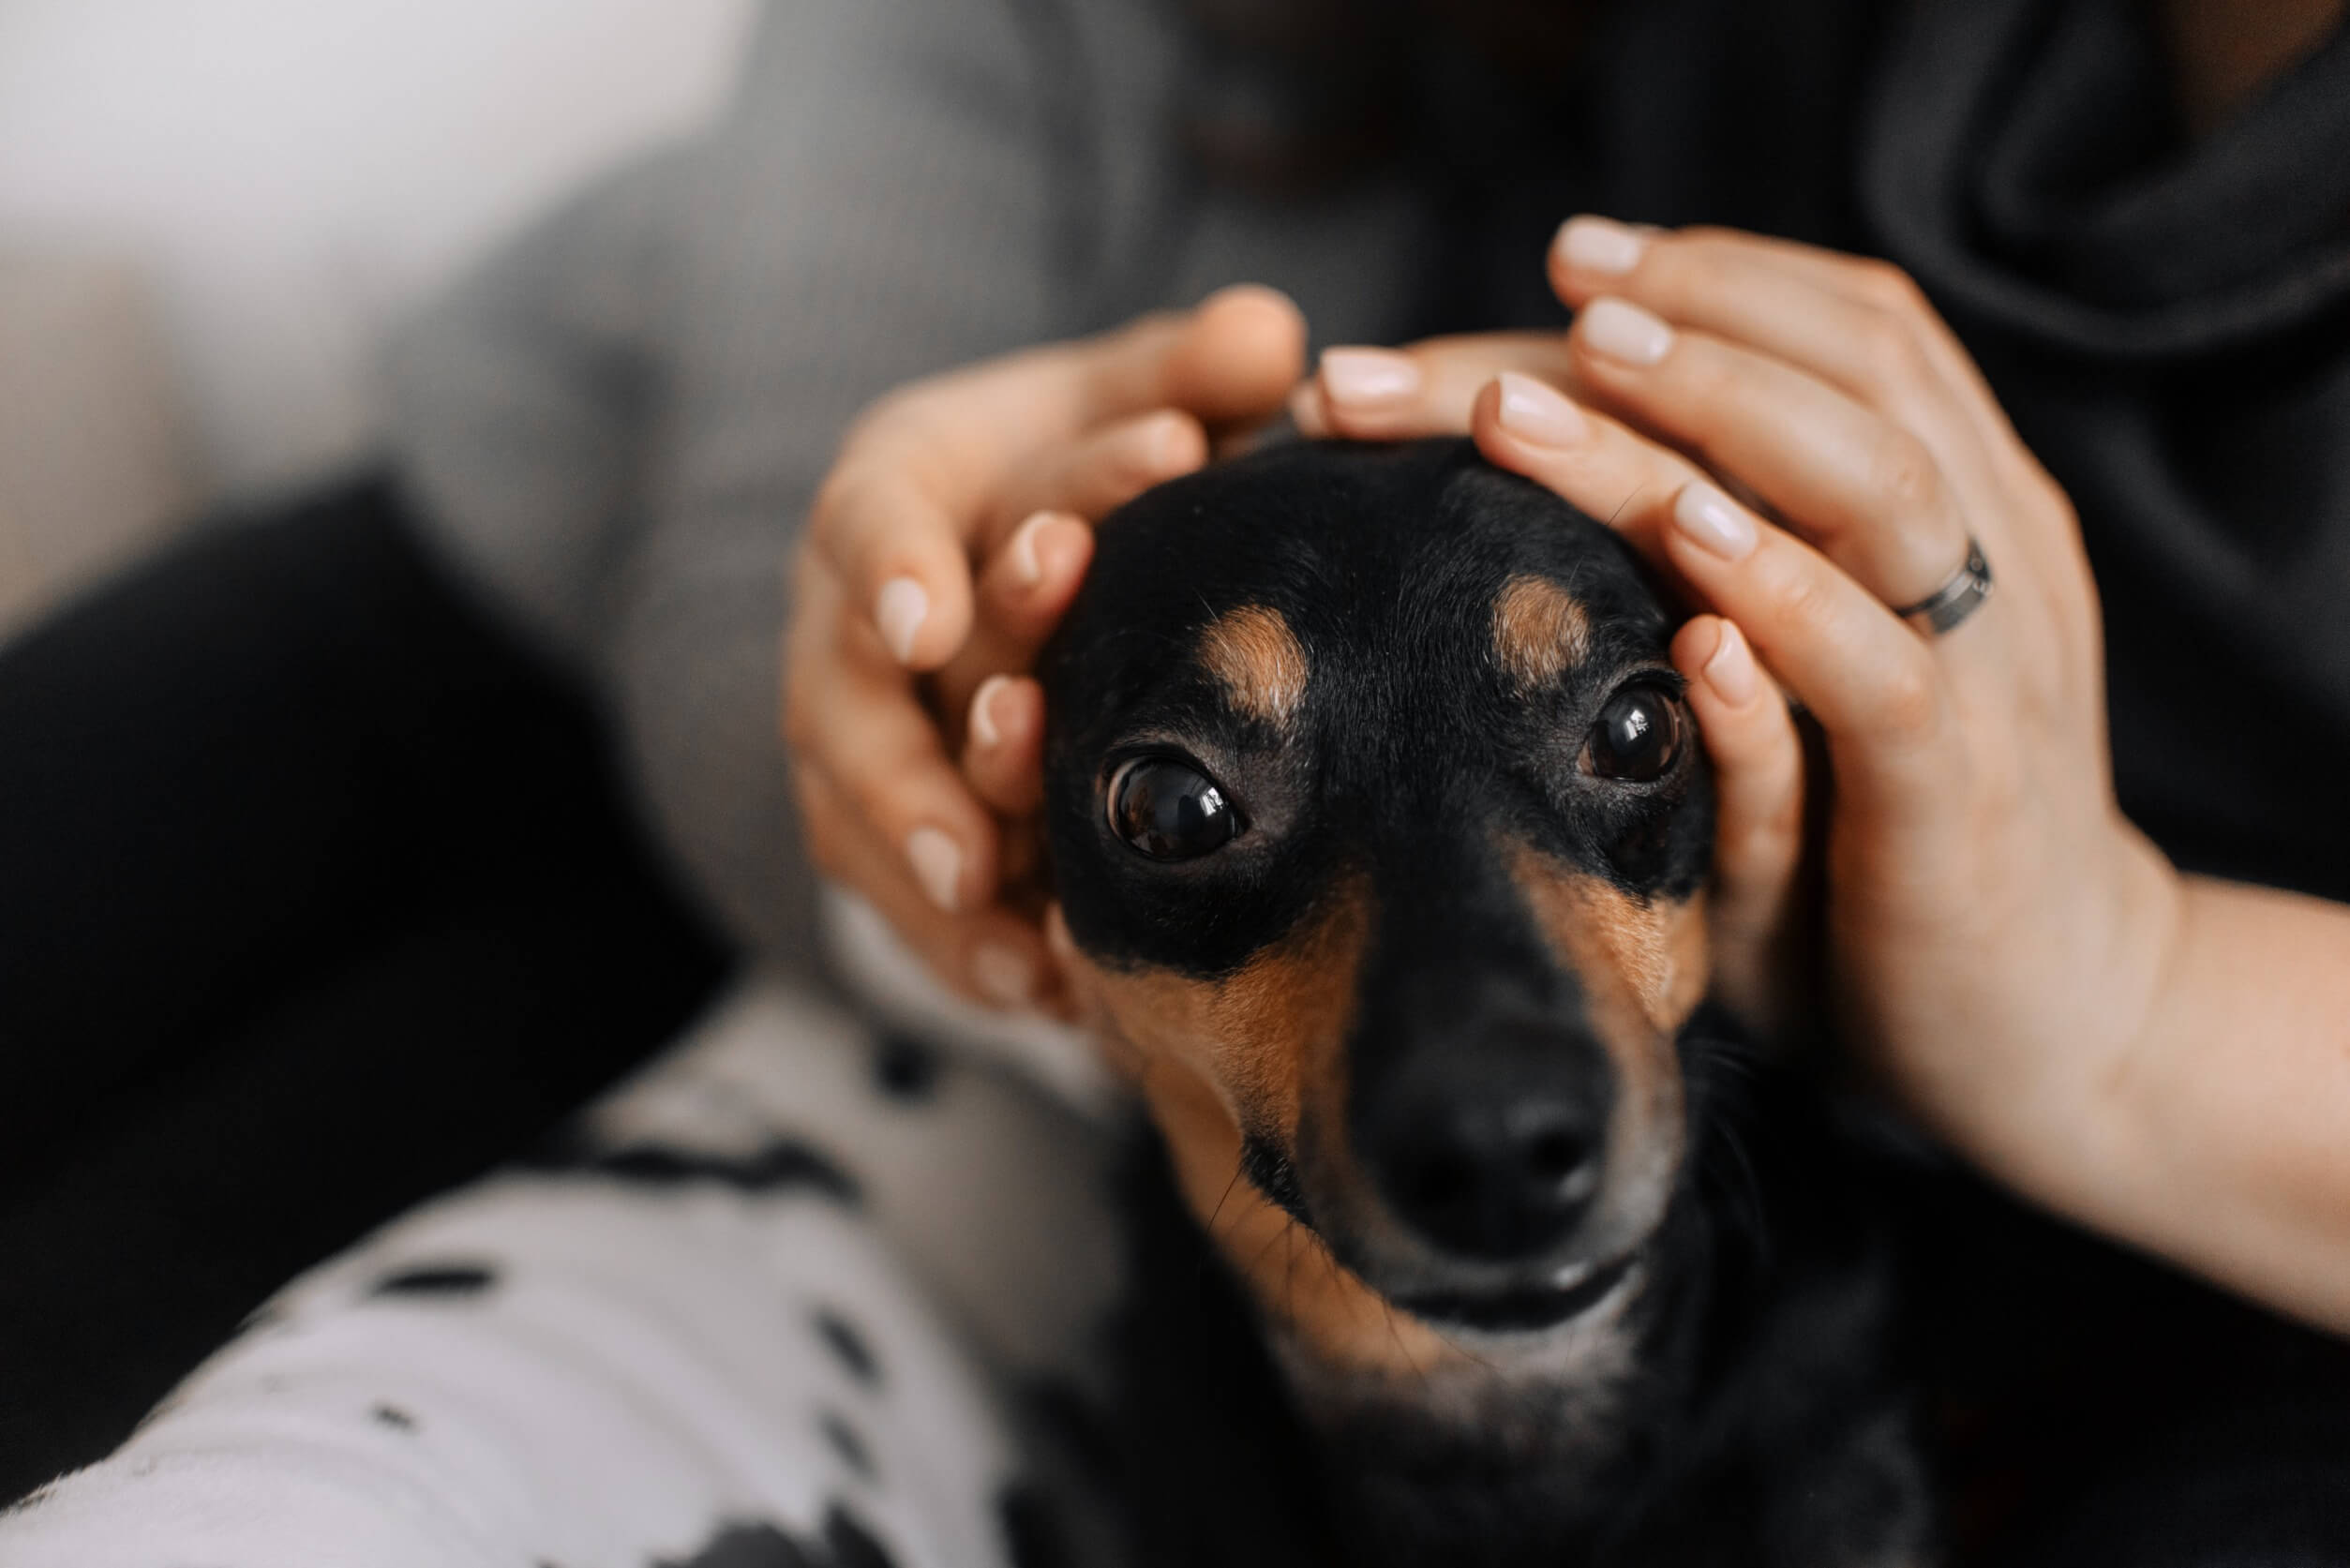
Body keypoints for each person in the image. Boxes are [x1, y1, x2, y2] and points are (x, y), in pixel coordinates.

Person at [4, 0, 2347, 1558]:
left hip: (801, 900)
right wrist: (918, 654)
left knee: (106, 1338)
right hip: (497, 548)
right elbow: (785, 625)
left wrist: (2106, 984)